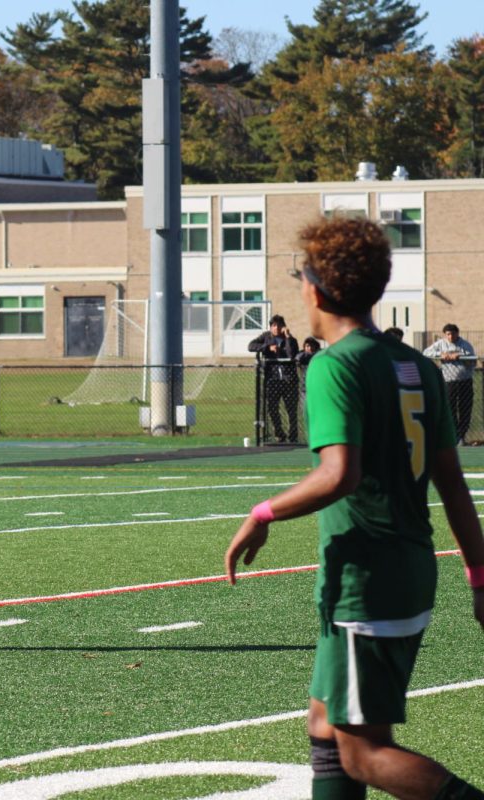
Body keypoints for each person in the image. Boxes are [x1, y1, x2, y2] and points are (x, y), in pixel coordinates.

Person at [226, 217, 484, 800]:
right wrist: (480, 576)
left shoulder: (333, 364)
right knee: (325, 727)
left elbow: (339, 474)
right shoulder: (417, 364)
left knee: (363, 753)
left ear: (314, 289)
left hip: (366, 580)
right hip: (409, 569)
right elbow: (453, 483)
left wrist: (262, 512)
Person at [248, 314, 300, 443]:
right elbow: (251, 346)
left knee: (291, 409)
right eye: (273, 325)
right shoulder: (266, 337)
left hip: (289, 380)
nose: (276, 328)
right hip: (272, 380)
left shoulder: (291, 340)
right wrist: (267, 347)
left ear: (283, 327)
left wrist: (287, 337)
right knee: (272, 408)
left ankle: (293, 435)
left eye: (278, 325)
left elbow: (291, 354)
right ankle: (279, 433)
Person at [423, 323, 476, 444]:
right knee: (450, 408)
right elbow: (425, 352)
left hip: (465, 381)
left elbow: (473, 362)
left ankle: (462, 435)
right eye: (448, 334)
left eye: (453, 333)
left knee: (465, 409)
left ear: (457, 333)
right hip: (449, 382)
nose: (450, 336)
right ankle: (454, 434)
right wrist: (440, 354)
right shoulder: (440, 344)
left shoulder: (465, 345)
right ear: (445, 335)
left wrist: (460, 356)